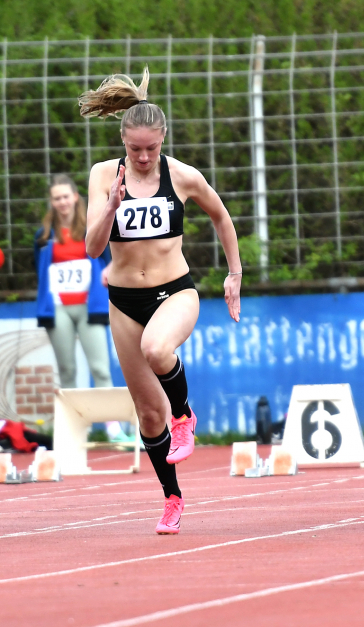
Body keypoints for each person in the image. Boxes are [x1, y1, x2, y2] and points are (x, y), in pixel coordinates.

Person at [79, 68, 242, 534]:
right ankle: (172, 497)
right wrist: (111, 205)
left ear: (163, 138)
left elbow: (221, 216)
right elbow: (92, 249)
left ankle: (185, 412)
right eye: (135, 150)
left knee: (158, 349)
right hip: (124, 301)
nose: (145, 157)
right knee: (149, 414)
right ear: (123, 143)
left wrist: (234, 273)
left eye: (152, 148)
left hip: (175, 291)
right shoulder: (102, 176)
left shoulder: (183, 175)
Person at [34, 175, 128, 443]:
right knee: (67, 370)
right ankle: (75, 431)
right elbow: (39, 268)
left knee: (100, 368)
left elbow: (112, 259)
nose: (62, 202)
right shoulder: (43, 235)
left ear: (75, 197)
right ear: (51, 202)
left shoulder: (93, 227)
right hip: (59, 308)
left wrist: (109, 271)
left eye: (66, 196)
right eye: (56, 198)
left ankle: (113, 429)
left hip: (90, 306)